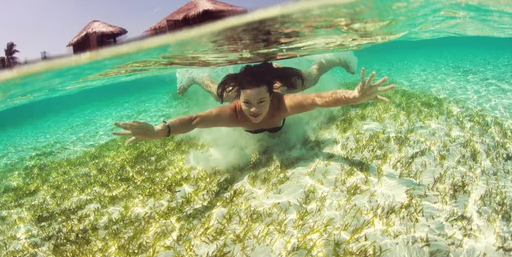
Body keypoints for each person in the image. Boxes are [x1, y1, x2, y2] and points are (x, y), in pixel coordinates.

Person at [112, 61, 396, 144]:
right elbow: (195, 121)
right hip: (233, 91)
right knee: (216, 91)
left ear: (272, 95)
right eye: (248, 104)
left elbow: (320, 99)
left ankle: (333, 59)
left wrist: (354, 96)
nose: (255, 110)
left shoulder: (281, 103)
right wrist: (159, 131)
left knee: (309, 79)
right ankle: (196, 75)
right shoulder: (235, 110)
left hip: (278, 82)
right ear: (240, 99)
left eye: (261, 101)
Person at [177, 52, 359, 102]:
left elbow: (316, 72)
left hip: (273, 72)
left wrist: (339, 60)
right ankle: (192, 76)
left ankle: (339, 58)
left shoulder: (285, 87)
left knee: (311, 77)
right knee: (218, 94)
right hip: (253, 76)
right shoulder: (232, 95)